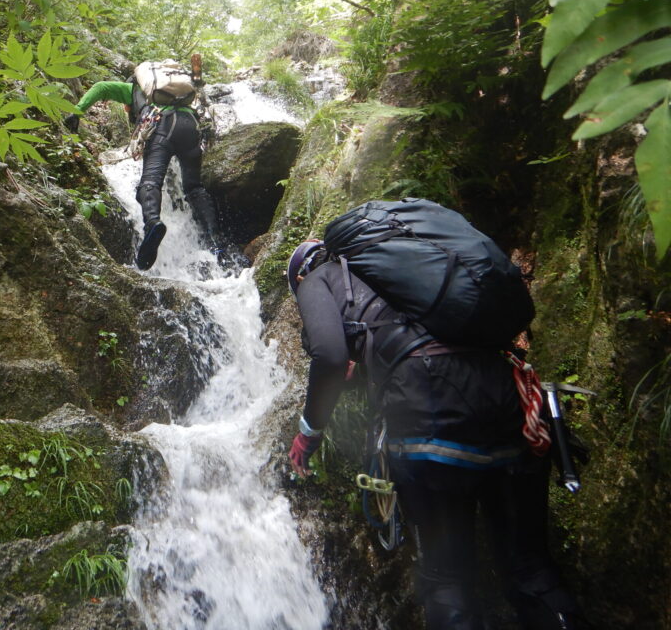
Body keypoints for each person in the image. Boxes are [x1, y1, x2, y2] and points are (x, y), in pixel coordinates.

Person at [285, 237, 583, 630]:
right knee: (532, 571)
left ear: (301, 274)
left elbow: (330, 355)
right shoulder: (399, 278)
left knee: (447, 578)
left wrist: (310, 432)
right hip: (507, 394)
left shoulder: (317, 279)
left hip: (431, 410)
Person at [65, 62, 221, 271]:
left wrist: (76, 112)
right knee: (194, 188)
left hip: (162, 125)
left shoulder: (133, 89)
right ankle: (215, 240)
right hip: (191, 127)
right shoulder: (181, 94)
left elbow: (100, 87)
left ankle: (153, 224)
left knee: (150, 182)